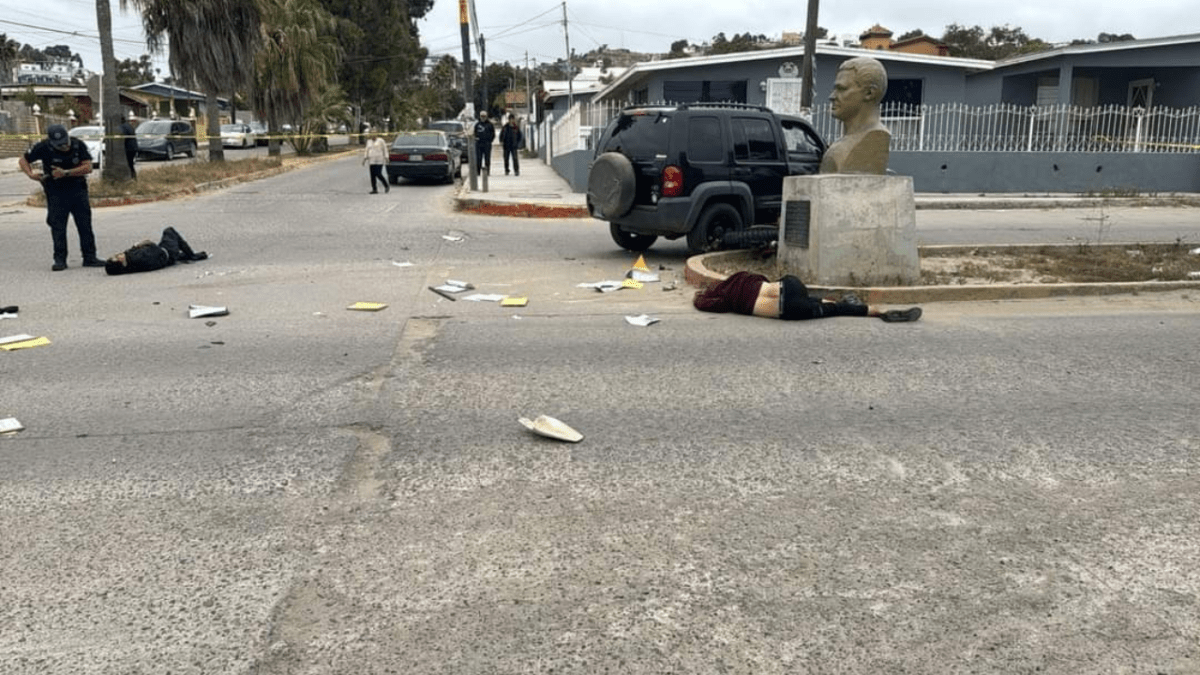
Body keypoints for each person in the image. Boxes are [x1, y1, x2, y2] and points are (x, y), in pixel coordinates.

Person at [19, 124, 104, 271]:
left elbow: (88, 167)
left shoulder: (78, 145)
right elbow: (23, 160)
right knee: (58, 227)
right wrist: (31, 174)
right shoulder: (43, 147)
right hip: (56, 192)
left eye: (65, 143)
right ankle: (60, 260)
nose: (63, 146)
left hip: (77, 190)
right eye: (59, 145)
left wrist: (66, 172)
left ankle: (90, 257)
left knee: (85, 225)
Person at [694, 271, 921, 322]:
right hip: (786, 288)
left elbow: (704, 303)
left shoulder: (730, 301)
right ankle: (877, 311)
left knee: (830, 310)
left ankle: (878, 313)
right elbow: (763, 278)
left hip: (785, 311)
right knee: (818, 300)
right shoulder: (743, 278)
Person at [819, 57, 891, 175]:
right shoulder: (841, 145)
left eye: (842, 89)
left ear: (869, 93)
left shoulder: (874, 139)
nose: (832, 96)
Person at [104, 227, 207, 275]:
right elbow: (155, 252)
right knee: (169, 231)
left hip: (164, 254)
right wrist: (146, 244)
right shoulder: (137, 258)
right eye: (117, 258)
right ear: (122, 263)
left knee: (168, 240)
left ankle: (184, 255)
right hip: (167, 253)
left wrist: (136, 247)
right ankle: (192, 255)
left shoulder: (130, 261)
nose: (118, 254)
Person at [473, 110, 495, 175]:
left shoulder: (490, 125)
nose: (483, 118)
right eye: (482, 116)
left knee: (487, 158)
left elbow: (493, 134)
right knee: (478, 158)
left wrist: (489, 140)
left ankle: (487, 171)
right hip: (479, 144)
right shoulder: (477, 125)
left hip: (487, 144)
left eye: (484, 116)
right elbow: (474, 133)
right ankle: (478, 171)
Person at [120, 114, 139, 179]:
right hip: (133, 147)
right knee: (130, 164)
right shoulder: (128, 125)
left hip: (129, 148)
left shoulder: (123, 126)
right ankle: (133, 177)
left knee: (129, 164)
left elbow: (123, 137)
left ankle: (132, 177)